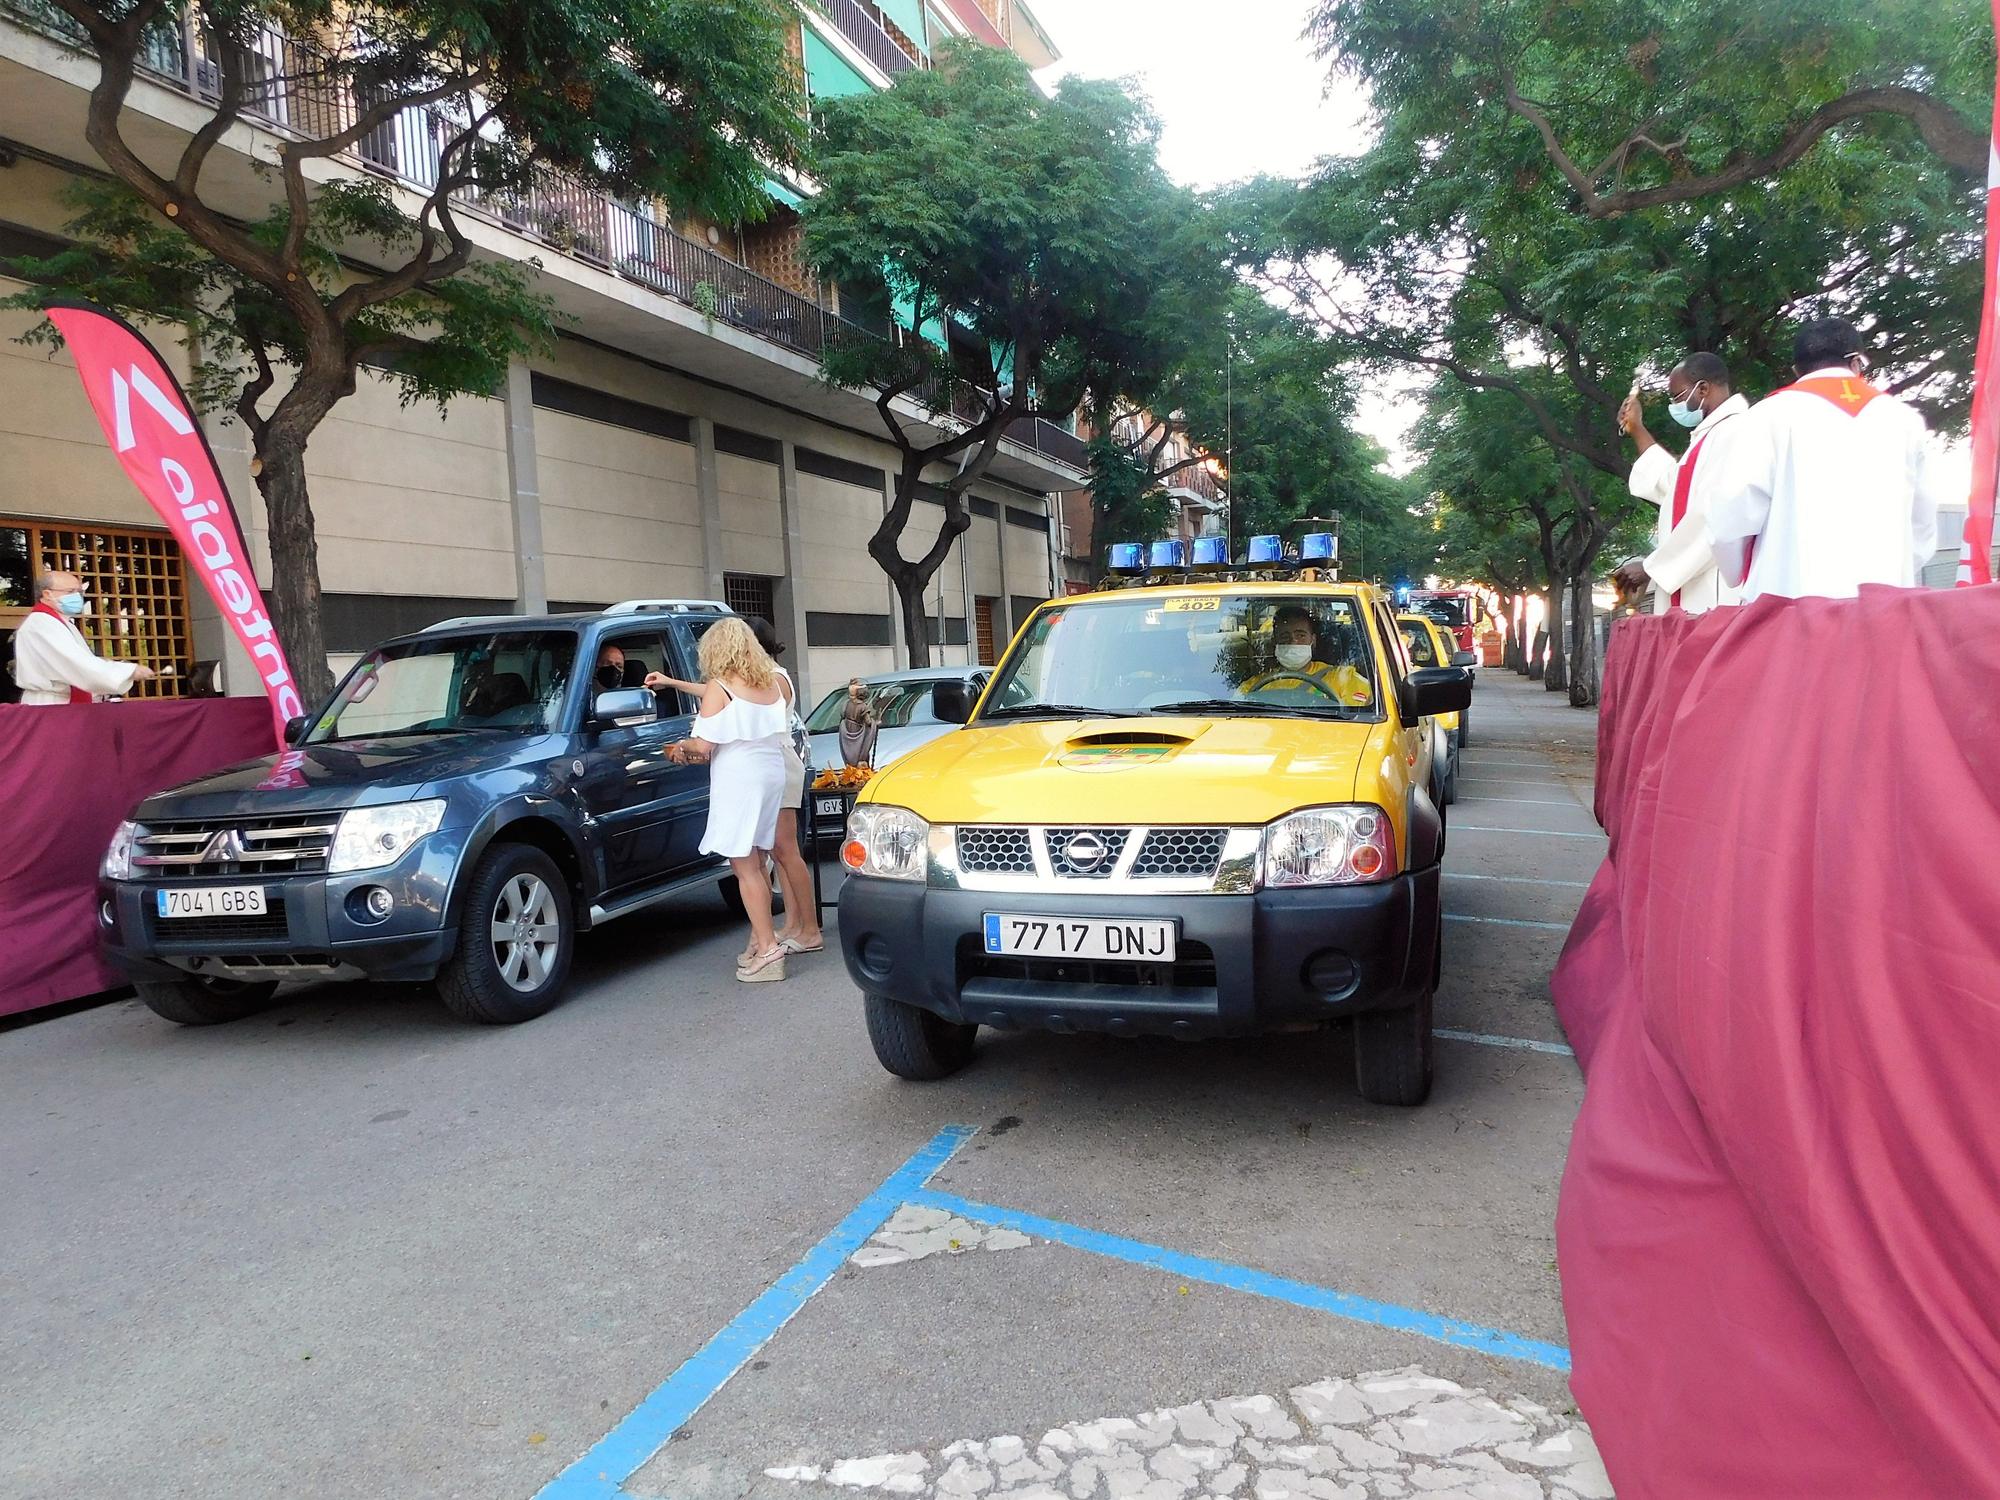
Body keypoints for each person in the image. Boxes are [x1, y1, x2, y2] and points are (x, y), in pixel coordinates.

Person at [1704, 317, 1948, 601]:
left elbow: (1729, 518)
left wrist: (1738, 571)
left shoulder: (1766, 416)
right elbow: (1922, 524)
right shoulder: (1905, 420)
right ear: (1856, 363)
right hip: (1883, 606)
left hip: (1791, 606)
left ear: (1796, 369)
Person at [664, 618, 795, 982]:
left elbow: (704, 747)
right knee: (760, 858)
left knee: (744, 865)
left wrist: (679, 748)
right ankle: (760, 938)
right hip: (771, 772)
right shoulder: (772, 684)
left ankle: (768, 950)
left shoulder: (719, 687)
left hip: (739, 777)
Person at [1613, 352, 1750, 613]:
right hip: (1694, 583)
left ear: (1703, 388)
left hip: (1716, 587)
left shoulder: (1737, 432)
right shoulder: (1710, 435)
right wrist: (1637, 428)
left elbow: (1717, 514)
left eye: (1677, 397)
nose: (1674, 406)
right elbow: (1675, 488)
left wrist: (1652, 567)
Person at [10, 569, 157, 705]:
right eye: (71, 591)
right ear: (48, 594)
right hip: (51, 703)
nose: (77, 596)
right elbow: (76, 663)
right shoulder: (41, 623)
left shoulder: (63, 623)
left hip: (65, 701)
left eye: (79, 592)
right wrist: (127, 671)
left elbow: (83, 662)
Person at [1241, 604, 1372, 706]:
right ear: (1275, 642)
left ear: (1313, 640)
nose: (1293, 641)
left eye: (1300, 635)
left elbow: (1358, 716)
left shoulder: (1342, 677)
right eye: (1285, 636)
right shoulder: (1255, 685)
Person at [837, 678, 879, 768]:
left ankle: (852, 768)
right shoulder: (863, 706)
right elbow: (868, 722)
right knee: (859, 751)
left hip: (847, 729)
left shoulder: (847, 704)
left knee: (850, 751)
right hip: (858, 731)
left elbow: (842, 715)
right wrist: (875, 722)